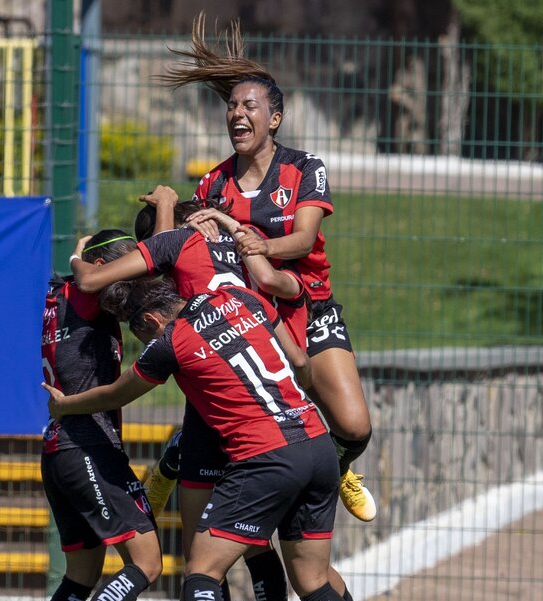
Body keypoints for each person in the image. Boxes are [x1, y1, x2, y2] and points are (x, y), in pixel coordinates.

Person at [45, 278, 391, 601]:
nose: (148, 343)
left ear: (152, 320)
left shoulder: (170, 341)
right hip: (316, 441)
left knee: (203, 570)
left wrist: (64, 406)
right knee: (313, 579)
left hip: (265, 456)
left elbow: (118, 394)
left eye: (144, 335)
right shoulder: (239, 297)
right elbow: (298, 359)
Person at [68, 200, 304, 601]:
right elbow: (293, 330)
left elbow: (105, 282)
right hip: (273, 405)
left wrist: (160, 214)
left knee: (203, 554)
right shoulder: (237, 253)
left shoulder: (177, 263)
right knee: (257, 549)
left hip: (215, 411)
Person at [160, 13, 379, 524]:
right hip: (250, 315)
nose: (237, 114)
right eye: (232, 106)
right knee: (232, 431)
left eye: (249, 106)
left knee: (355, 427)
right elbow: (200, 255)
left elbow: (303, 239)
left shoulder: (304, 169)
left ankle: (340, 465)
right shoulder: (212, 185)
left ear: (273, 119)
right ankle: (176, 456)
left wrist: (248, 239)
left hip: (310, 302)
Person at [26, 230, 164, 601]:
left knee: (81, 574)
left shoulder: (55, 298)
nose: (132, 274)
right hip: (87, 446)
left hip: (60, 449)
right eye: (123, 265)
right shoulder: (85, 294)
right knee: (147, 563)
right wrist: (84, 251)